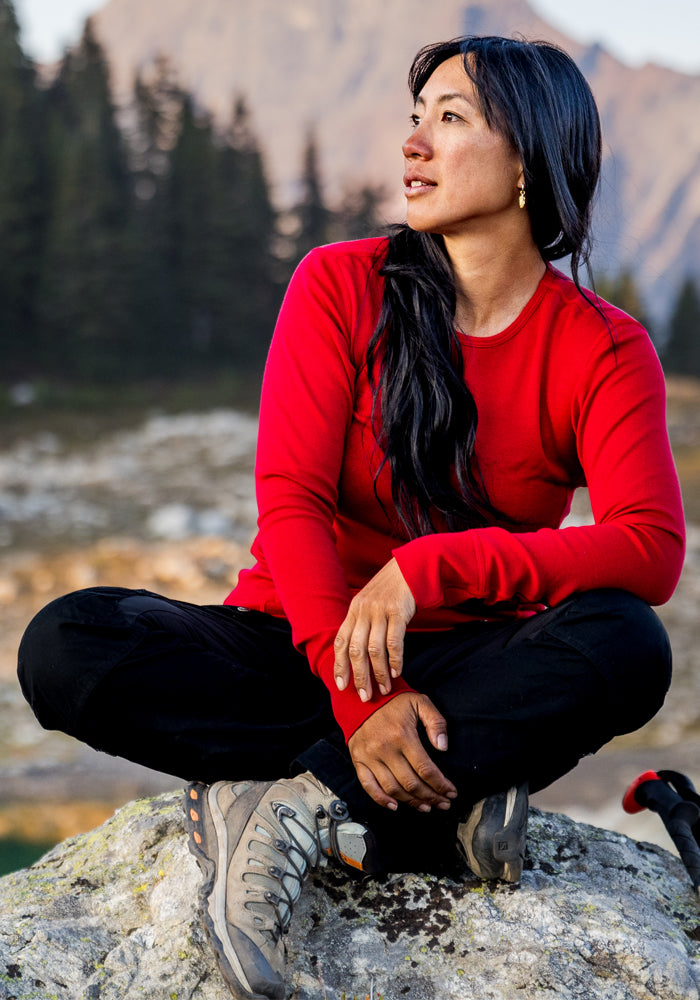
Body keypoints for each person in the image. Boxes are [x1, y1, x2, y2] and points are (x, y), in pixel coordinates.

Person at [17, 34, 684, 1000]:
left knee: (628, 643)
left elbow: (649, 547)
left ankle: (291, 806)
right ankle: (426, 812)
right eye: (415, 120)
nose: (413, 144)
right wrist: (361, 700)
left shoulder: (604, 349)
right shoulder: (340, 283)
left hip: (468, 673)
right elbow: (291, 498)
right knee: (66, 646)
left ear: (529, 162)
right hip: (300, 648)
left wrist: (433, 569)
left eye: (450, 119)